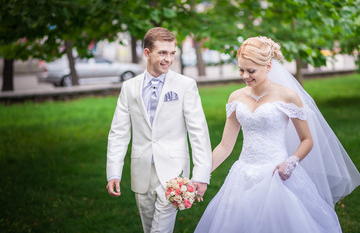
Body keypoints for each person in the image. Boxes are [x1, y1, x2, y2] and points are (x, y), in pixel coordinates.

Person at [195, 36, 360, 233]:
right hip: (243, 176)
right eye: (241, 69)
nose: (245, 76)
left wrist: (291, 162)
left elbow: (307, 140)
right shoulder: (236, 97)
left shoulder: (287, 96)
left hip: (277, 175)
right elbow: (224, 146)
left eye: (251, 70)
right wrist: (201, 175)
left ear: (268, 66)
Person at [106, 27, 212, 233]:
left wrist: (201, 174)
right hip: (142, 171)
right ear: (147, 53)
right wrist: (113, 172)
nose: (168, 59)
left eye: (172, 53)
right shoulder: (129, 88)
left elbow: (198, 132)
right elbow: (119, 133)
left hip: (174, 173)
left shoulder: (185, 85)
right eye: (162, 53)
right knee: (149, 229)